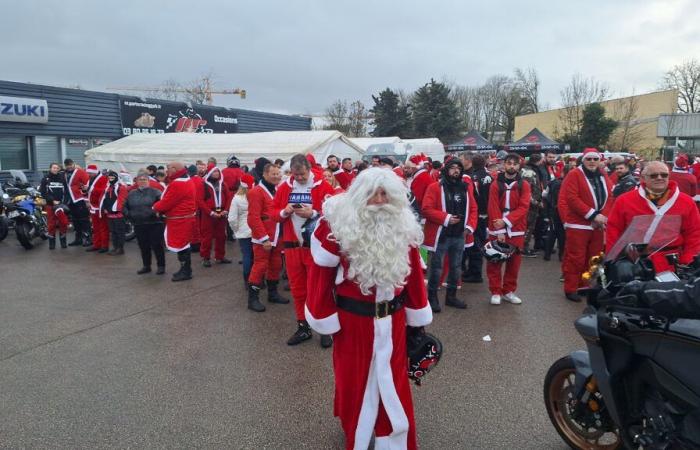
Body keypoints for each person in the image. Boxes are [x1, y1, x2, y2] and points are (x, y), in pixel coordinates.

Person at [305, 167, 432, 450]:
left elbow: (413, 274)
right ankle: (357, 435)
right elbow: (319, 276)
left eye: (385, 193)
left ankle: (393, 440)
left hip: (395, 320)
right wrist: (325, 318)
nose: (379, 200)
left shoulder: (404, 223)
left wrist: (418, 316)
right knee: (354, 381)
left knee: (395, 381)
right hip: (353, 322)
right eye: (373, 193)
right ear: (360, 195)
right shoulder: (336, 226)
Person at [271, 153, 335, 346]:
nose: (298, 178)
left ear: (308, 169)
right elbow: (273, 214)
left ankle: (325, 328)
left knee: (319, 289)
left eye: (302, 174)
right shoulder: (284, 187)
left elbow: (335, 212)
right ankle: (303, 327)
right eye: (295, 174)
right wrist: (285, 211)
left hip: (314, 248)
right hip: (292, 248)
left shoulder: (322, 185)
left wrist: (314, 213)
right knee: (298, 290)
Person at [607, 161, 700, 272]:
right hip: (634, 264)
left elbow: (694, 234)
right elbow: (613, 231)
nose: (659, 178)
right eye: (653, 175)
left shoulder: (686, 201)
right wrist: (613, 262)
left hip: (672, 263)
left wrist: (687, 262)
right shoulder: (624, 200)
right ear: (643, 178)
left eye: (664, 175)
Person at [422, 158, 477, 311]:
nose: (456, 170)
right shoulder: (434, 187)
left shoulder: (465, 188)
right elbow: (426, 209)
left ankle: (451, 297)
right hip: (441, 235)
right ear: (446, 170)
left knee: (456, 267)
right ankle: (431, 298)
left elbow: (473, 208)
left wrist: (470, 227)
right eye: (452, 168)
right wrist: (446, 218)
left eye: (458, 168)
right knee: (436, 268)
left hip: (460, 234)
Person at [559, 148, 613, 302]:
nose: (592, 162)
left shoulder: (603, 175)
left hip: (597, 225)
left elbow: (610, 197)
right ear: (583, 160)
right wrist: (594, 215)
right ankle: (570, 288)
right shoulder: (574, 174)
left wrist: (603, 217)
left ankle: (584, 285)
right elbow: (572, 198)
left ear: (599, 160)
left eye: (595, 159)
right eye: (589, 159)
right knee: (576, 258)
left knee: (593, 258)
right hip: (578, 224)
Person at [486, 153, 531, 305]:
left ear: (519, 166)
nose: (512, 166)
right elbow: (492, 206)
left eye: (515, 164)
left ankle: (509, 291)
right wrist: (499, 230)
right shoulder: (495, 184)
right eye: (509, 163)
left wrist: (506, 221)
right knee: (495, 261)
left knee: (514, 262)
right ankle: (496, 291)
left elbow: (524, 207)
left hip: (516, 228)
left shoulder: (524, 185)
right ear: (504, 165)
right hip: (496, 226)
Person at [246, 164, 289, 312]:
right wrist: (263, 238)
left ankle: (273, 293)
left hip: (278, 234)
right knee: (260, 266)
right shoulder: (256, 192)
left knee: (276, 265)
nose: (277, 176)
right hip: (264, 236)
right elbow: (253, 218)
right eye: (273, 174)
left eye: (279, 174)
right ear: (265, 174)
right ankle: (252, 299)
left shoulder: (277, 190)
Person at [153, 161, 197, 282]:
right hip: (184, 218)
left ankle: (186, 271)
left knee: (181, 245)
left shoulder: (178, 184)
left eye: (168, 168)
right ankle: (185, 269)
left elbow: (167, 202)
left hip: (180, 220)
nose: (167, 171)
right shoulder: (186, 180)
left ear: (174, 169)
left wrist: (155, 207)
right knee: (184, 244)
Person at [123, 171, 165, 274]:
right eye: (140, 179)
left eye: (144, 179)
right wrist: (130, 215)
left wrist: (155, 213)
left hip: (154, 224)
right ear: (136, 181)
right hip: (139, 223)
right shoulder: (131, 193)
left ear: (148, 181)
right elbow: (124, 206)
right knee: (143, 246)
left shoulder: (156, 192)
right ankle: (146, 266)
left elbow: (162, 205)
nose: (142, 182)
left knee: (157, 246)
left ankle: (161, 266)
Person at [462, 154, 492, 283]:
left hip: (477, 214)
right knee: (478, 243)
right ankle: (472, 270)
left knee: (476, 244)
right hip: (486, 214)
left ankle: (476, 273)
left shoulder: (473, 178)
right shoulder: (489, 176)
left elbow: (473, 198)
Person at [199, 164, 232, 266]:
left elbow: (229, 198)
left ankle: (220, 256)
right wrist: (210, 212)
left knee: (221, 236)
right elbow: (200, 201)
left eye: (217, 171)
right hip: (209, 214)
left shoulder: (223, 184)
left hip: (221, 213)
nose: (216, 173)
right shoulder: (203, 184)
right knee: (207, 237)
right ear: (209, 173)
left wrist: (226, 210)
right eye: (214, 171)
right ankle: (206, 257)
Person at [229, 174, 254, 286]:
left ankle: (247, 281)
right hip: (256, 230)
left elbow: (232, 218)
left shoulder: (237, 198)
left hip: (244, 231)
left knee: (246, 255)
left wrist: (236, 230)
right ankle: (258, 280)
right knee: (257, 257)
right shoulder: (256, 195)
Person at [40, 162, 70, 250]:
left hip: (61, 205)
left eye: (57, 168)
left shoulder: (62, 178)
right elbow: (43, 193)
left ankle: (63, 242)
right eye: (54, 168)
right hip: (50, 205)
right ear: (50, 168)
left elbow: (66, 192)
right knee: (51, 224)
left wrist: (63, 202)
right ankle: (52, 243)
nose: (55, 169)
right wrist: (52, 201)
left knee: (63, 223)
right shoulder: (45, 179)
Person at [521, 154, 544, 257]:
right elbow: (527, 191)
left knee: (529, 227)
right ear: (538, 161)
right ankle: (523, 248)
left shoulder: (529, 170)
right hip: (530, 205)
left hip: (532, 204)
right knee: (528, 227)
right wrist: (536, 202)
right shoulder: (529, 172)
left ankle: (524, 247)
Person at [64, 158, 91, 246]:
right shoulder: (64, 173)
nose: (69, 167)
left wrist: (87, 200)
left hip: (79, 199)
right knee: (75, 220)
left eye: (70, 165)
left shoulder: (81, 172)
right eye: (67, 165)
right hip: (70, 200)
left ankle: (88, 239)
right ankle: (78, 239)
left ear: (74, 164)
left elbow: (88, 185)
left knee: (84, 220)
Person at [101, 171, 128, 256]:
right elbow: (105, 198)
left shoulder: (121, 187)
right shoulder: (108, 187)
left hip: (118, 213)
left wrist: (116, 209)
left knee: (119, 231)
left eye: (112, 178)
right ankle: (115, 247)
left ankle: (120, 248)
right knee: (113, 231)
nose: (111, 179)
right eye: (109, 178)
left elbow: (122, 200)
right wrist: (105, 208)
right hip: (110, 212)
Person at [85, 164, 110, 253]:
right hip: (93, 206)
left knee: (103, 227)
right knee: (95, 227)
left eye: (90, 173)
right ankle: (96, 244)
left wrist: (91, 189)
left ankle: (104, 245)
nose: (89, 175)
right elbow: (88, 191)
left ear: (94, 172)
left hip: (100, 207)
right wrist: (87, 200)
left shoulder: (103, 178)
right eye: (88, 173)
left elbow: (104, 191)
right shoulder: (90, 179)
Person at [403, 153, 434, 219]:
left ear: (414, 168)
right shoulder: (423, 175)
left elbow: (416, 199)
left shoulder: (420, 178)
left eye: (409, 168)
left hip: (423, 213)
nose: (406, 170)